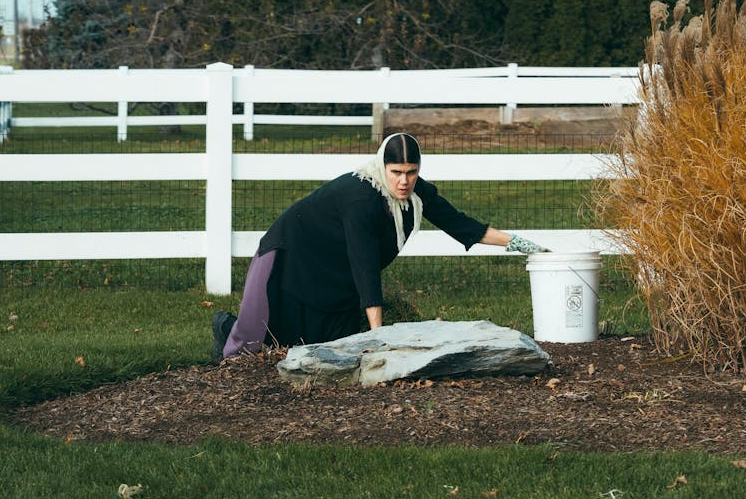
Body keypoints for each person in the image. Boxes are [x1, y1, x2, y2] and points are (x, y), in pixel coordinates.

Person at [211, 132, 546, 361]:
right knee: (253, 343)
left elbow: (462, 225)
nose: (404, 181)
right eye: (396, 172)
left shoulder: (417, 192)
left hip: (332, 271)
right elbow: (364, 264)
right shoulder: (361, 198)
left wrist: (520, 244)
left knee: (317, 347)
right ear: (382, 167)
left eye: (411, 172)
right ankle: (224, 326)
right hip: (291, 253)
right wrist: (378, 337)